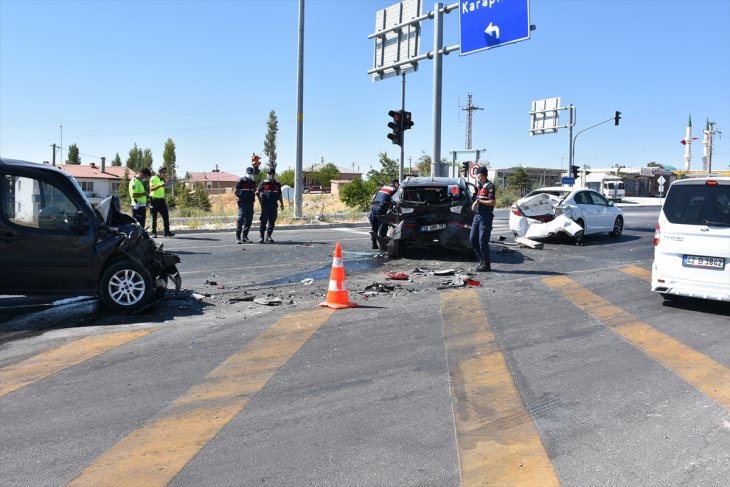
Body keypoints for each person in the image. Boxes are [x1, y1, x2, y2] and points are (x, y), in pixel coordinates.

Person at [470, 166, 496, 272]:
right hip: (478, 216)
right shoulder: (480, 186)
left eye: (477, 174)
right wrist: (475, 202)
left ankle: (487, 264)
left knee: (482, 241)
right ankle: (482, 260)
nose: (476, 176)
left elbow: (492, 202)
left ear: (482, 175)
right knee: (472, 239)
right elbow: (479, 198)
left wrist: (479, 202)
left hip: (486, 216)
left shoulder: (489, 186)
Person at [368, 178, 399, 249]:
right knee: (384, 224)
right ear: (396, 184)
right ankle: (383, 245)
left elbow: (373, 197)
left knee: (374, 226)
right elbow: (396, 201)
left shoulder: (383, 187)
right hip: (381, 207)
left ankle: (374, 244)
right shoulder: (394, 190)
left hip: (373, 206)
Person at [256, 168, 284, 243]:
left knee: (272, 221)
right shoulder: (264, 183)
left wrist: (282, 204)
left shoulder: (277, 184)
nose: (269, 175)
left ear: (274, 175)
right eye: (268, 174)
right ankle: (261, 237)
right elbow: (257, 192)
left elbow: (280, 195)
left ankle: (268, 236)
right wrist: (260, 201)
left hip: (274, 205)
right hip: (265, 205)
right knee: (263, 221)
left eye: (270, 174)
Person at [149, 167, 174, 238]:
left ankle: (167, 232)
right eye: (164, 172)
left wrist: (167, 179)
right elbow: (151, 189)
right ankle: (153, 233)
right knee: (154, 217)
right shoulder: (153, 178)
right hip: (154, 200)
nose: (165, 174)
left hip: (161, 200)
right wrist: (160, 185)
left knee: (166, 216)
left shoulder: (163, 179)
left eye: (165, 172)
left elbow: (169, 184)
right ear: (159, 172)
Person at [234, 167, 257, 243]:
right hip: (243, 203)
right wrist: (238, 198)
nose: (249, 174)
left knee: (249, 221)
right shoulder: (241, 180)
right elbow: (236, 191)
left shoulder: (253, 182)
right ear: (246, 173)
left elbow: (254, 191)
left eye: (251, 173)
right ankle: (238, 237)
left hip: (250, 204)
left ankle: (245, 237)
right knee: (240, 220)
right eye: (248, 173)